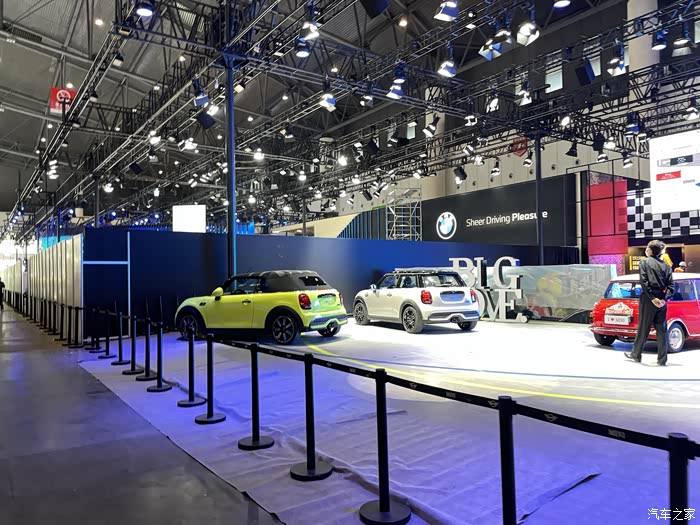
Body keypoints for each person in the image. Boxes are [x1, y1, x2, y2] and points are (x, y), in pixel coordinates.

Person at [625, 240, 675, 366]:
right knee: (662, 331)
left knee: (643, 328)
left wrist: (652, 298)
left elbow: (644, 281)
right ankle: (662, 360)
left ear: (650, 250)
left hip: (648, 299)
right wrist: (664, 299)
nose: (646, 249)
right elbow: (671, 286)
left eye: (647, 247)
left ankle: (636, 354)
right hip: (662, 300)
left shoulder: (644, 262)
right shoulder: (667, 266)